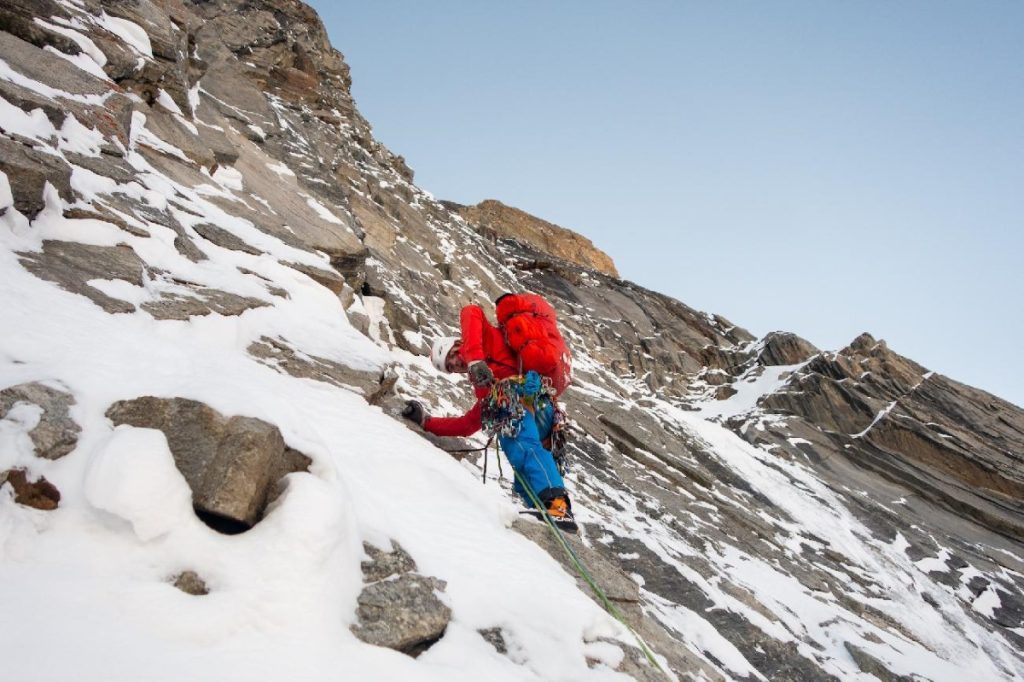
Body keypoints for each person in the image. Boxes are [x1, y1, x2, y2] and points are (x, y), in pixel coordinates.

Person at [402, 298, 575, 530]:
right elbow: (467, 424)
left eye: (452, 355)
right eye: (451, 367)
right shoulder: (483, 385)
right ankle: (543, 510)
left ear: (458, 343)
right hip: (542, 410)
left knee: (518, 440)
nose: (455, 363)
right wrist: (426, 421)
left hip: (529, 406)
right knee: (522, 463)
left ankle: (557, 506)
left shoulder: (485, 338)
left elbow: (471, 310)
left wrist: (475, 359)